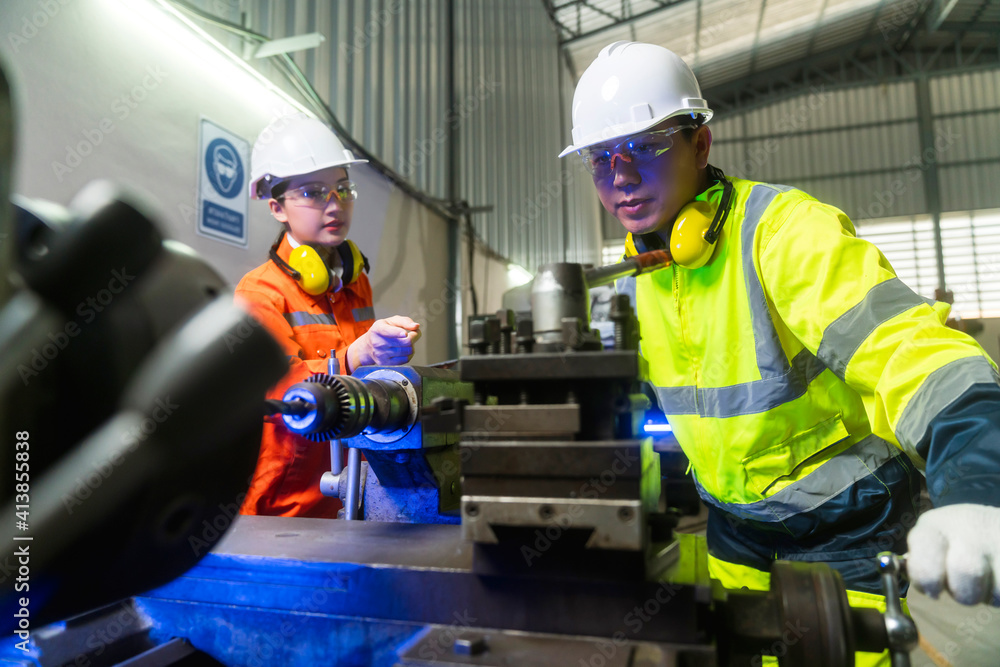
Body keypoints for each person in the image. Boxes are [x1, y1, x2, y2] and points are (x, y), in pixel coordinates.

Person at [559, 41, 1000, 665]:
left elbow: (914, 353)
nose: (621, 178)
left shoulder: (783, 233)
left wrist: (980, 483)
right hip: (736, 534)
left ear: (699, 146)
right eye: (601, 160)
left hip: (845, 531)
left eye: (646, 148)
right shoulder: (640, 276)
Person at [236, 113, 421, 517]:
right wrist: (358, 354)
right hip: (285, 504)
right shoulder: (259, 291)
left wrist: (386, 355)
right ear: (277, 207)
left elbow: (364, 380)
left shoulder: (355, 284)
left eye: (343, 188)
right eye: (314, 192)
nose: (335, 204)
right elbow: (280, 396)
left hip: (353, 490)